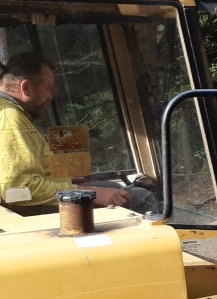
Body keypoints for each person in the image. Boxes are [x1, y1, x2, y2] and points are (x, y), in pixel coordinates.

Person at [0, 53, 151, 214]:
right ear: (26, 88)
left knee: (115, 188)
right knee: (141, 198)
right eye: (48, 89)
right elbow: (17, 191)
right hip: (34, 213)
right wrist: (89, 194)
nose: (50, 97)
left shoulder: (16, 115)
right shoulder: (9, 119)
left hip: (42, 203)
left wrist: (65, 181)